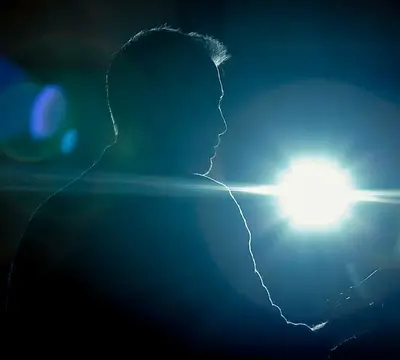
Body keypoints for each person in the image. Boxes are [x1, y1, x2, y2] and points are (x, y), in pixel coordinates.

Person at [7, 27, 331, 356]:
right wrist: (353, 322)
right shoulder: (197, 207)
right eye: (208, 105)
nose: (221, 125)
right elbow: (259, 339)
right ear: (164, 108)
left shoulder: (55, 215)